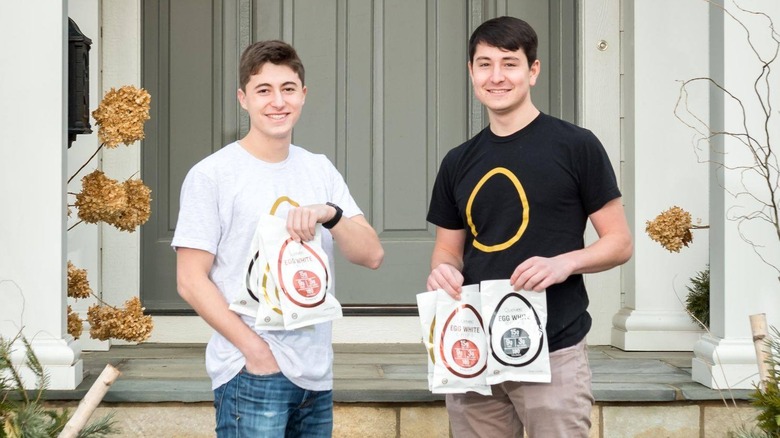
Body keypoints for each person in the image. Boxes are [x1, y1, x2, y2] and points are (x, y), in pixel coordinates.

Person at [426, 16, 632, 437]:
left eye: (509, 63)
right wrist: (443, 271)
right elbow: (447, 250)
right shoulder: (457, 161)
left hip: (554, 346)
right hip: (474, 350)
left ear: (533, 71)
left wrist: (565, 263)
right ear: (471, 72)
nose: (496, 76)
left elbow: (619, 243)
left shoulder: (576, 146)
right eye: (484, 64)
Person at [172, 40, 384, 437]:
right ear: (243, 98)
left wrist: (330, 213)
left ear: (303, 95)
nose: (277, 102)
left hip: (315, 374)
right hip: (250, 372)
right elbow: (189, 279)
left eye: (288, 88)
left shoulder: (319, 169)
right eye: (263, 90)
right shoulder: (213, 175)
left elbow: (371, 254)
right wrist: (255, 352)